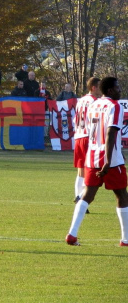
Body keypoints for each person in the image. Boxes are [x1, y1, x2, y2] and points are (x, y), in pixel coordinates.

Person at [66, 76, 128, 246]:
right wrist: (108, 161)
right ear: (109, 90)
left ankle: (72, 234)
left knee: (87, 195)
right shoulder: (115, 106)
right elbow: (110, 133)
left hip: (91, 157)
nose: (120, 90)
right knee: (122, 195)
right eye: (117, 88)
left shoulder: (93, 105)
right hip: (111, 159)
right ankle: (126, 239)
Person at [71, 77, 101, 206]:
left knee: (81, 169)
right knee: (89, 169)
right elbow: (95, 121)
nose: (101, 89)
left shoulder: (81, 100)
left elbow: (75, 119)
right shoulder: (95, 101)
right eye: (99, 86)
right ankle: (83, 198)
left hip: (78, 136)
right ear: (94, 87)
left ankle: (78, 196)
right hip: (88, 137)